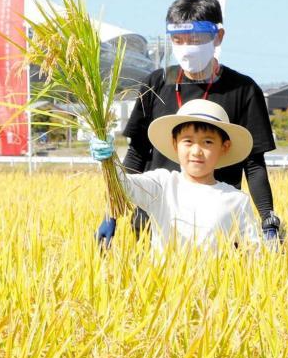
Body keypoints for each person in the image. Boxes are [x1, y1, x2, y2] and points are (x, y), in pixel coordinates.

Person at [96, 0, 280, 247]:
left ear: (218, 37)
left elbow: (254, 164)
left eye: (195, 39)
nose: (186, 47)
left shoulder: (242, 89)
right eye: (178, 40)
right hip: (156, 216)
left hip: (217, 219)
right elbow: (137, 153)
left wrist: (268, 219)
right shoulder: (157, 83)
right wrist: (111, 211)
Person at [90, 99, 262, 252]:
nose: (196, 151)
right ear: (175, 143)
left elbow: (253, 253)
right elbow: (123, 185)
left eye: (207, 142)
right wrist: (107, 159)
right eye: (188, 141)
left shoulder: (236, 200)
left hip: (213, 286)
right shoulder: (162, 184)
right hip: (162, 285)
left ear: (224, 147)